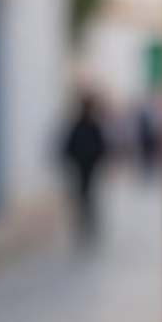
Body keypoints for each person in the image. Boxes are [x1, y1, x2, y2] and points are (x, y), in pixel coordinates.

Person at [62, 94, 107, 242]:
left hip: (84, 163)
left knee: (84, 190)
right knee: (87, 190)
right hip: (86, 163)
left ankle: (85, 214)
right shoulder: (90, 125)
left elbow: (70, 145)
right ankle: (86, 215)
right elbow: (101, 145)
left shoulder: (82, 125)